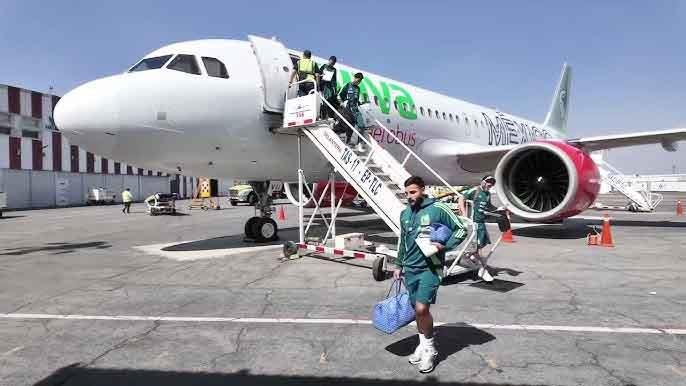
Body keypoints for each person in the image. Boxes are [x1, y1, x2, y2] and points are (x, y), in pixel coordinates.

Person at [393, 176, 468, 373]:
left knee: (421, 308)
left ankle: (430, 350)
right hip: (410, 269)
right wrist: (398, 264)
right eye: (407, 193)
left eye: (413, 192)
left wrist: (444, 245)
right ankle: (423, 344)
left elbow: (461, 229)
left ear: (423, 190)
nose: (409, 196)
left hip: (430, 268)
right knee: (416, 309)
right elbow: (403, 241)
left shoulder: (438, 208)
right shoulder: (405, 214)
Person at [458, 175, 502, 282]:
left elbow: (488, 206)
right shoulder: (475, 190)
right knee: (478, 249)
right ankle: (482, 270)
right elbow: (461, 198)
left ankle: (470, 258)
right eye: (488, 182)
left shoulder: (487, 194)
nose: (489, 185)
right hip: (474, 224)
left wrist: (499, 209)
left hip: (482, 223)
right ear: (482, 181)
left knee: (481, 246)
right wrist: (464, 215)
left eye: (491, 183)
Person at [338, 72, 365, 146]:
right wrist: (341, 102)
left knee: (362, 126)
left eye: (360, 81)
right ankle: (348, 141)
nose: (358, 82)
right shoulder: (347, 85)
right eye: (358, 80)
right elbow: (339, 95)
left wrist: (361, 103)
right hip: (348, 108)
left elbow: (356, 100)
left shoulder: (358, 89)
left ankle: (360, 143)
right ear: (355, 78)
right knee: (349, 125)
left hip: (355, 109)